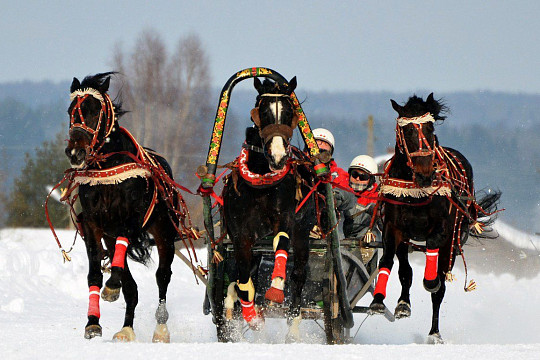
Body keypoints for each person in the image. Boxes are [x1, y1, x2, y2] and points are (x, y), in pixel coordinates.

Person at [342, 155, 380, 241]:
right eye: (355, 175)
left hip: (363, 239)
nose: (358, 179)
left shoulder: (377, 197)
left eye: (363, 177)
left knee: (371, 234)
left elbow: (385, 225)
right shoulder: (342, 189)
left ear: (371, 180)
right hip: (341, 237)